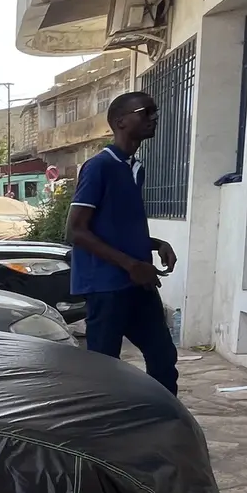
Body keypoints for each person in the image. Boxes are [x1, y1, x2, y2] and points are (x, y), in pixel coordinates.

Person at [67, 92, 180, 394]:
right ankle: (105, 430)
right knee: (104, 367)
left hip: (136, 283)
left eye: (155, 112)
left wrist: (155, 244)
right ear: (121, 122)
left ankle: (164, 424)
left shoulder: (135, 169)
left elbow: (114, 225)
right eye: (146, 112)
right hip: (106, 287)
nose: (153, 118)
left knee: (163, 357)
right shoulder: (99, 167)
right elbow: (76, 231)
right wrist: (131, 264)